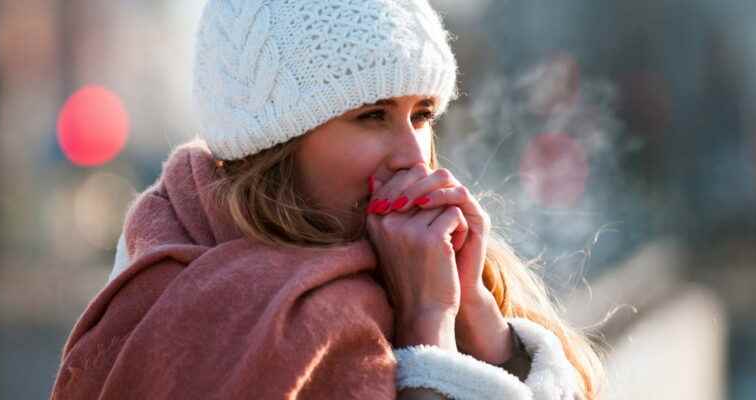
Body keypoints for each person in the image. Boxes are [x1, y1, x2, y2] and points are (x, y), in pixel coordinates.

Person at [50, 1, 604, 399]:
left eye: (422, 115)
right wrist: (427, 329)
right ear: (278, 146)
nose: (414, 156)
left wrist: (484, 325)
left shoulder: (444, 271)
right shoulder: (198, 306)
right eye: (371, 116)